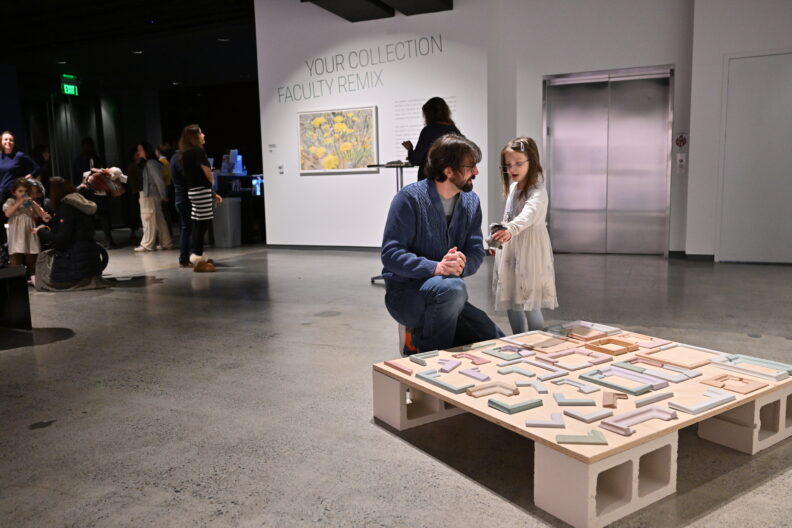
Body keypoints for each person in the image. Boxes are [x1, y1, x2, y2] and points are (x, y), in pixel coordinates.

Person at [381, 134, 504, 354]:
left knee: (495, 340)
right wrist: (436, 267)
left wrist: (462, 265)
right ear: (448, 171)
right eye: (470, 167)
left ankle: (420, 338)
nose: (476, 172)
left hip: (448, 296)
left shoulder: (471, 202)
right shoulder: (409, 199)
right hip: (407, 295)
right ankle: (427, 361)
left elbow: (476, 250)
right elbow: (391, 253)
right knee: (453, 289)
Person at [490, 137, 558, 333]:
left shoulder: (538, 191)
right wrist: (498, 238)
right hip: (511, 248)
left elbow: (528, 215)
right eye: (508, 165)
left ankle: (536, 341)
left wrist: (510, 229)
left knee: (529, 301)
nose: (512, 169)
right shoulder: (514, 187)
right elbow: (508, 216)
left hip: (530, 251)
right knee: (511, 298)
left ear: (532, 161)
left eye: (519, 163)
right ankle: (518, 339)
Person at [33, 177, 107, 291]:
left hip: (75, 261)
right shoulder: (79, 203)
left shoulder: (66, 207)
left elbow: (62, 237)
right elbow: (72, 227)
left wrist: (41, 232)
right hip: (90, 260)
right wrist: (51, 221)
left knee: (43, 281)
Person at [178, 124, 222, 271]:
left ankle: (198, 255)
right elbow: (208, 174)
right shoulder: (198, 152)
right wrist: (211, 184)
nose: (203, 135)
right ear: (194, 136)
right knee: (202, 224)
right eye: (201, 133)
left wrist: (212, 193)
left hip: (193, 192)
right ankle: (198, 256)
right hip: (201, 192)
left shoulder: (185, 153)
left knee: (198, 223)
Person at [402, 97, 461, 181]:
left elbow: (415, 160)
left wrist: (410, 149)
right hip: (450, 180)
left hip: (430, 180)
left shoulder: (428, 131)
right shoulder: (455, 131)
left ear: (429, 114)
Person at [2, 178, 50, 279]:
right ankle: (17, 283)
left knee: (32, 261)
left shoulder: (30, 203)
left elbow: (41, 214)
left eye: (26, 191)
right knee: (16, 262)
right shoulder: (11, 201)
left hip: (29, 235)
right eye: (20, 191)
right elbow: (8, 213)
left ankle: (35, 280)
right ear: (14, 192)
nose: (23, 194)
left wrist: (32, 202)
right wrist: (19, 202)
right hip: (16, 237)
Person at [0, 131, 40, 249]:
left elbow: (37, 168)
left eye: (11, 140)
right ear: (1, 142)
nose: (8, 142)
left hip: (16, 194)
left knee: (20, 220)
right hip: (1, 193)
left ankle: (23, 247)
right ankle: (4, 248)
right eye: (6, 139)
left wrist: (28, 177)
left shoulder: (19, 156)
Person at [134, 142, 173, 252]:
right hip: (151, 194)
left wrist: (163, 194)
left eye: (140, 149)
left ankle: (147, 244)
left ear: (146, 150)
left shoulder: (151, 163)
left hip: (149, 195)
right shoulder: (149, 162)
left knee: (148, 218)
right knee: (158, 219)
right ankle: (166, 242)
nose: (138, 152)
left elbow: (159, 180)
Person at [170, 149, 192, 267]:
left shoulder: (175, 158)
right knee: (187, 229)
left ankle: (187, 257)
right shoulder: (178, 159)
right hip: (184, 198)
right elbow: (187, 175)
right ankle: (185, 258)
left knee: (186, 228)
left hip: (180, 198)